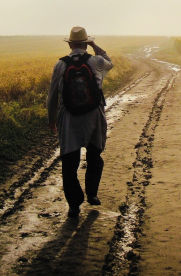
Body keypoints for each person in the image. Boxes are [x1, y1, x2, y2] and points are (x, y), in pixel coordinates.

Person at [47, 26, 113, 217]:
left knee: (69, 162)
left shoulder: (61, 64)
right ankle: (92, 193)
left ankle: (74, 204)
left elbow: (52, 95)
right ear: (85, 43)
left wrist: (52, 119)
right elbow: (110, 62)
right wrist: (95, 46)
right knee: (94, 156)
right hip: (94, 115)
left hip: (69, 117)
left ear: (70, 44)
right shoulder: (96, 61)